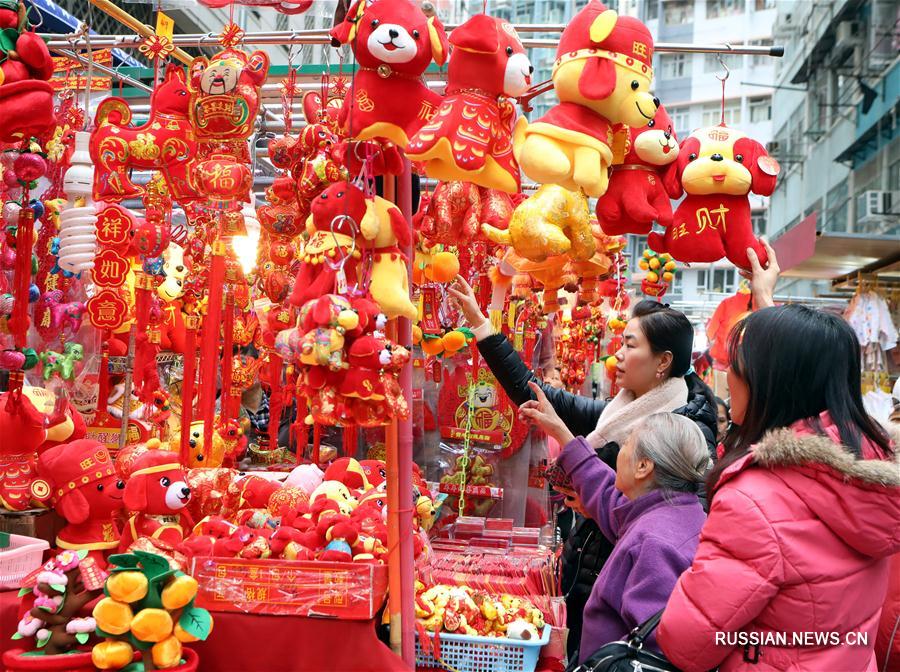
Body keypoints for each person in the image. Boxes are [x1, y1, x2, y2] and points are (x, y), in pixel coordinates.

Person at [657, 243, 900, 672]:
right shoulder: (869, 468)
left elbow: (686, 642)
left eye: (736, 364)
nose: (727, 375)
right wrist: (764, 297)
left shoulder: (755, 500)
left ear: (766, 381)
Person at [448, 276, 718, 658]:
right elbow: (539, 394)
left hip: (625, 591)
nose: (617, 356)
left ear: (663, 362)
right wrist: (482, 324)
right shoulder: (619, 412)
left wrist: (594, 492)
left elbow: (670, 519)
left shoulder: (684, 431)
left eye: (629, 345)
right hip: (589, 573)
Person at [520, 396, 708, 663]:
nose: (617, 452)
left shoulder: (655, 543)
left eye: (627, 443)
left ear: (643, 467)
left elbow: (652, 654)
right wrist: (560, 431)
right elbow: (607, 494)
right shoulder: (671, 512)